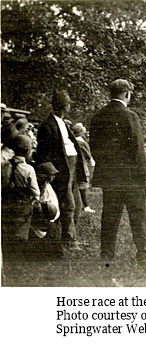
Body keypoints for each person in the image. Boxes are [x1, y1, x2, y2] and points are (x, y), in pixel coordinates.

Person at [89, 79, 146, 262]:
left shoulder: (98, 116)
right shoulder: (131, 116)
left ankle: (106, 255)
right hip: (131, 177)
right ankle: (143, 253)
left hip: (110, 177)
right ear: (127, 94)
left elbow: (94, 148)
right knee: (137, 216)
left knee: (109, 216)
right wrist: (144, 174)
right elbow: (138, 149)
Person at [35, 90, 86, 251]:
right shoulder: (48, 126)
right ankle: (68, 241)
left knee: (76, 205)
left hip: (71, 170)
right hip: (61, 172)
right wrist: (52, 174)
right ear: (65, 106)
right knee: (68, 206)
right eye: (68, 103)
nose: (69, 105)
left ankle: (69, 237)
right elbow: (44, 154)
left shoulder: (63, 123)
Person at [1, 135, 40, 262]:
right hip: (22, 204)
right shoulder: (28, 169)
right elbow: (35, 191)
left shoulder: (4, 165)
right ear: (27, 151)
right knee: (20, 231)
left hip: (6, 202)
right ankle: (18, 256)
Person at [72, 122, 96, 213]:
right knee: (83, 186)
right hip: (82, 165)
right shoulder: (82, 142)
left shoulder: (72, 140)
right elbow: (88, 155)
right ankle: (85, 205)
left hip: (74, 165)